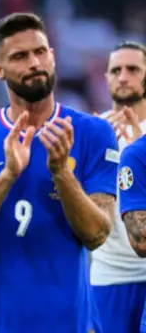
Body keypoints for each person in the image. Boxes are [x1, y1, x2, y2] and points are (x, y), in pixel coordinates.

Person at [0, 13, 118, 332]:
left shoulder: (93, 133)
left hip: (69, 323)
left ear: (52, 56)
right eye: (20, 56)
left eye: (40, 51)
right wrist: (8, 174)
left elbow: (97, 234)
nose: (34, 62)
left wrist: (62, 173)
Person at [90, 41, 146, 333]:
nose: (123, 76)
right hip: (109, 276)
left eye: (133, 69)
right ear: (106, 78)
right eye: (116, 70)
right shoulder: (89, 133)